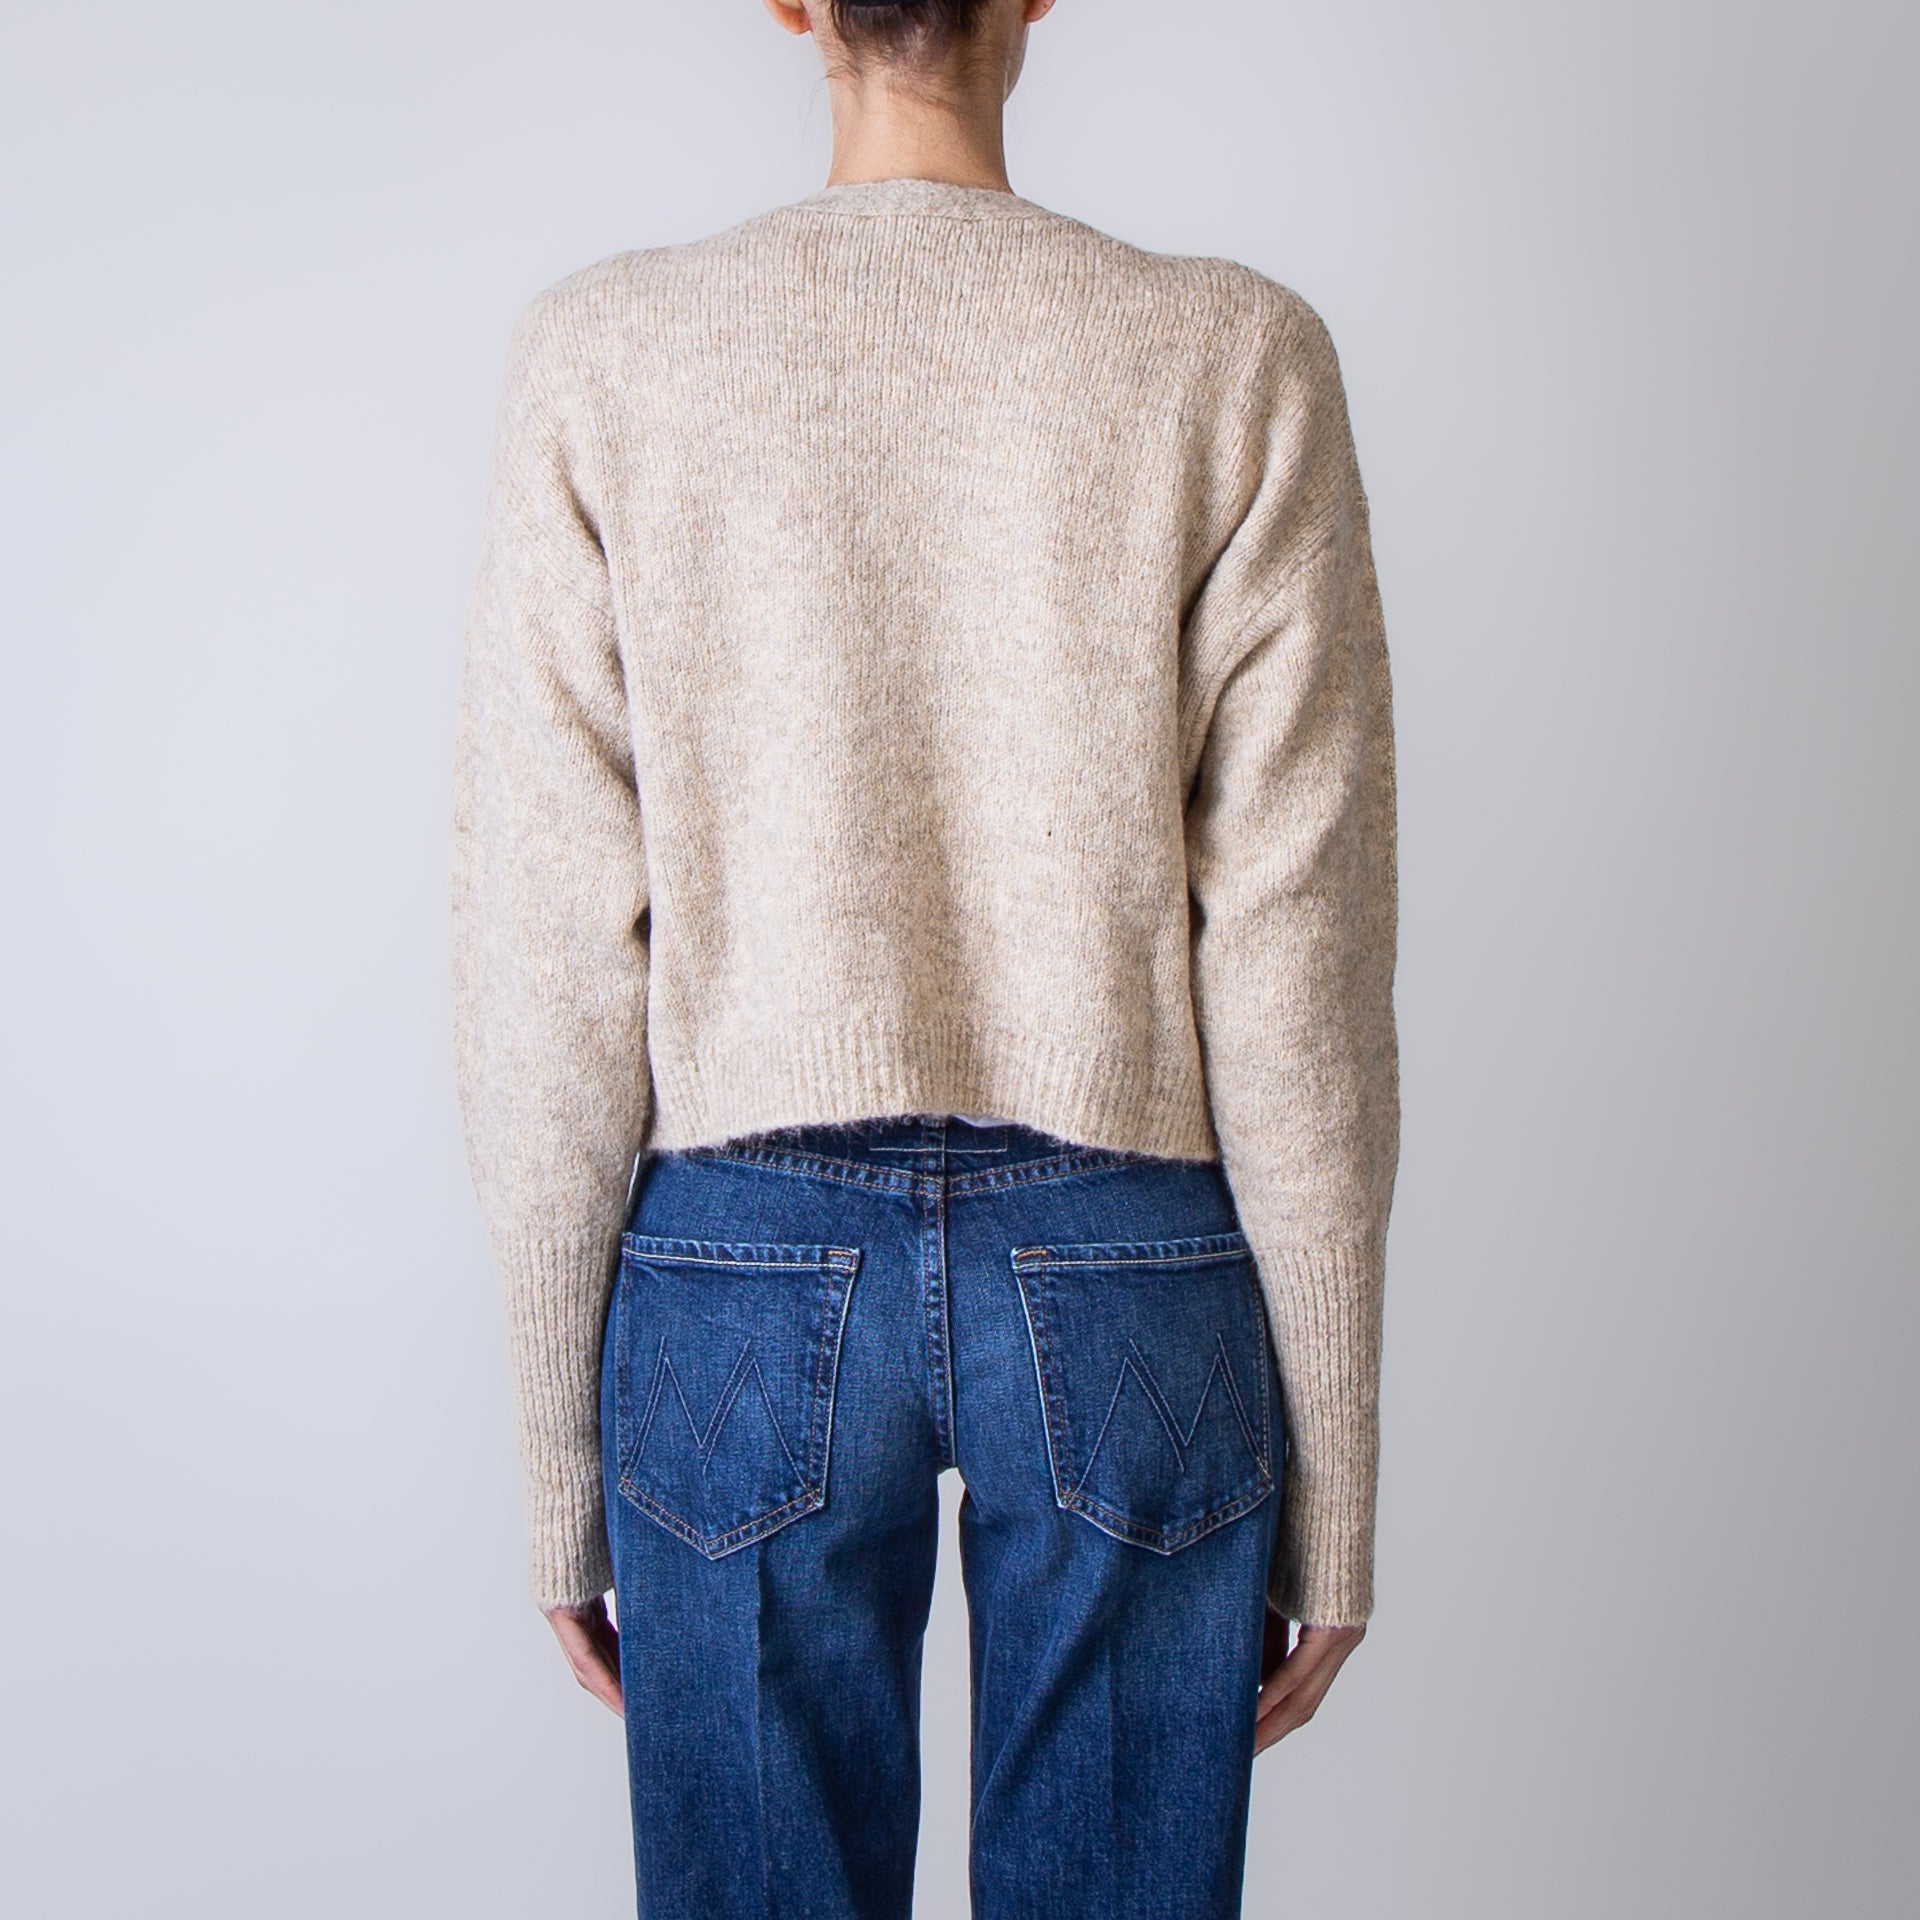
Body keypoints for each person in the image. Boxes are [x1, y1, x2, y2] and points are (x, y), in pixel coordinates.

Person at [449, 1, 1400, 1913]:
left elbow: (546, 951)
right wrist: (1338, 1475)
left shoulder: (604, 356)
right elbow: (1298, 953)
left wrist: (556, 1459)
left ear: (790, 3)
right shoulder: (1235, 357)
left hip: (740, 1268)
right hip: (1130, 1267)